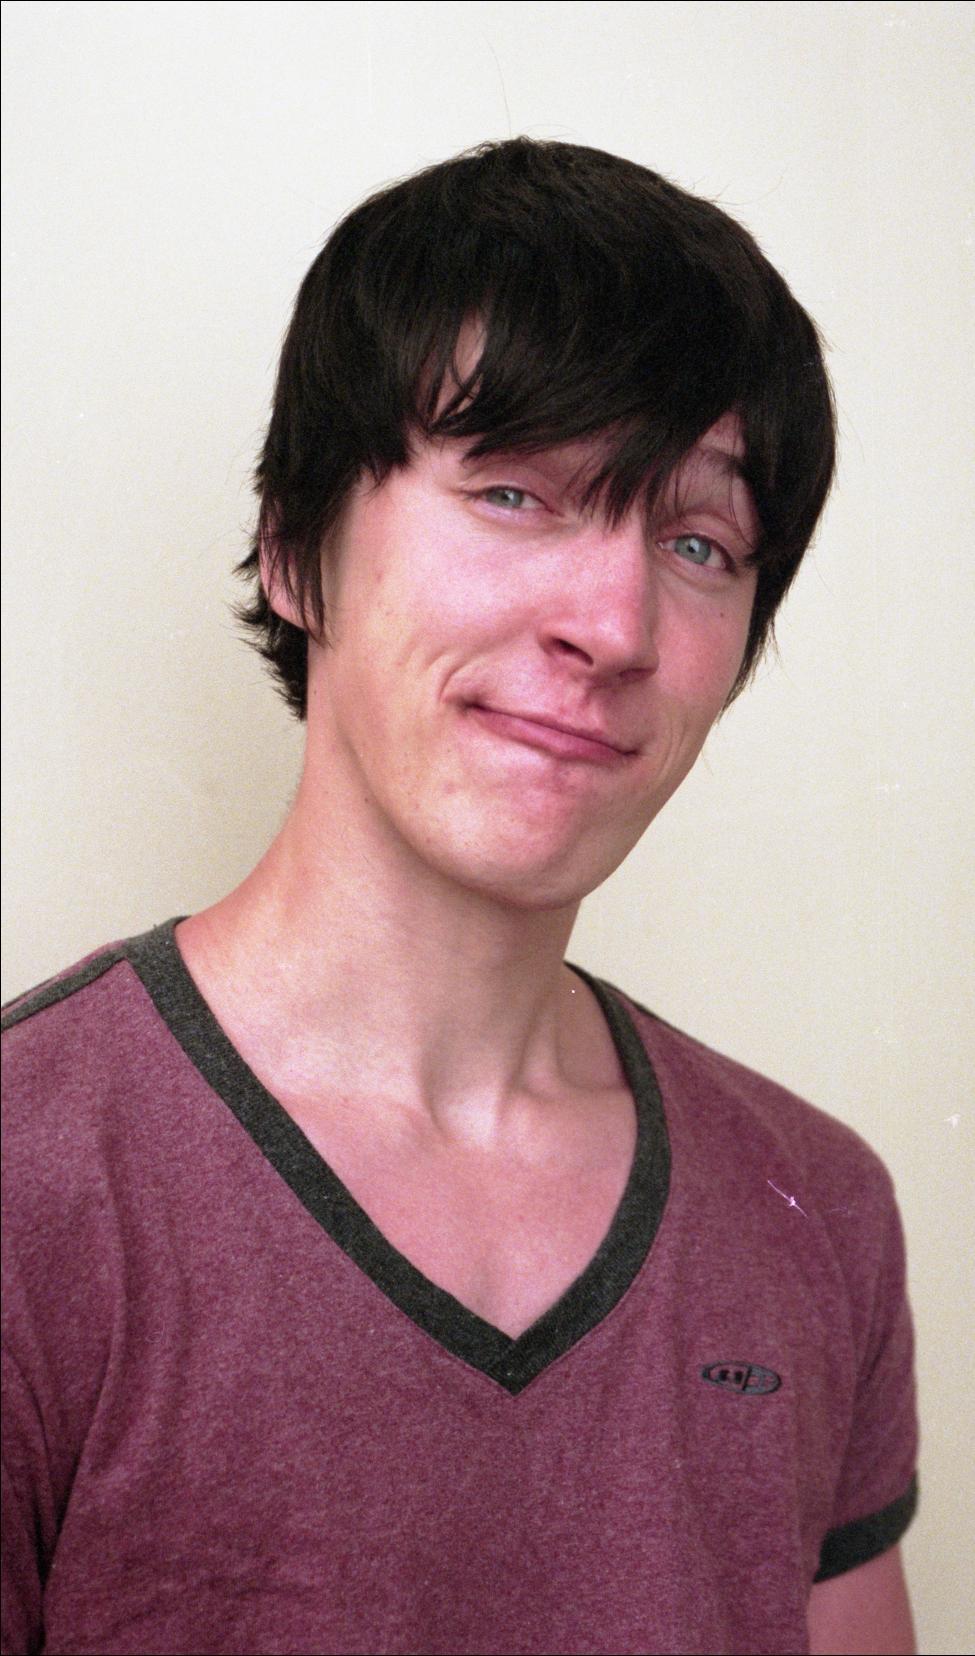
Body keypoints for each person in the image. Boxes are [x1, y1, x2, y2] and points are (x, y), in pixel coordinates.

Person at [1, 138, 918, 1656]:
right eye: (514, 492)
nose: (615, 624)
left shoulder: (818, 1208)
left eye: (698, 541)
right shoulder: (33, 1183)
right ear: (294, 548)